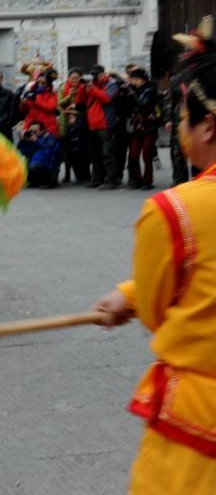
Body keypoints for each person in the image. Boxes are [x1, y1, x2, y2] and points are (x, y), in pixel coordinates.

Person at [91, 36, 216, 494]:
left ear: (207, 128)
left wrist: (134, 297)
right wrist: (130, 293)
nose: (180, 127)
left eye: (184, 117)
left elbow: (158, 309)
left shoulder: (175, 210)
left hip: (200, 427)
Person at [87, 65, 121, 189]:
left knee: (108, 153)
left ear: (103, 74)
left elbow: (106, 99)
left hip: (106, 124)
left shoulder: (112, 85)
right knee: (95, 154)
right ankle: (97, 178)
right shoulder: (93, 86)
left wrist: (93, 89)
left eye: (98, 75)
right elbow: (82, 101)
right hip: (93, 124)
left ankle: (111, 180)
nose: (97, 77)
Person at [126, 68, 160, 190]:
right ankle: (136, 179)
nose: (134, 81)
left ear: (144, 80)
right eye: (133, 79)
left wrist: (132, 94)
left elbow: (143, 104)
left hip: (149, 126)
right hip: (135, 126)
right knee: (134, 155)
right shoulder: (131, 90)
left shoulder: (150, 90)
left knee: (147, 154)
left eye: (137, 79)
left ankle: (148, 181)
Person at [58, 68, 91, 184]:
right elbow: (59, 105)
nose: (75, 80)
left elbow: (86, 105)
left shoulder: (84, 88)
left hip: (81, 122)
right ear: (68, 78)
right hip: (66, 123)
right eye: (72, 78)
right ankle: (67, 175)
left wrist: (76, 112)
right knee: (68, 151)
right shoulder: (63, 88)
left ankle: (82, 175)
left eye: (77, 78)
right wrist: (69, 96)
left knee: (81, 149)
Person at [17, 120, 62, 189]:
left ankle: (47, 181)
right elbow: (24, 152)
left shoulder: (50, 138)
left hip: (49, 167)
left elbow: (48, 152)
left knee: (35, 164)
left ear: (42, 131)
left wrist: (36, 141)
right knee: (19, 165)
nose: (32, 133)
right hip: (37, 165)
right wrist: (23, 141)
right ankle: (34, 181)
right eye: (30, 131)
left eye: (35, 131)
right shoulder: (31, 139)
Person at [20, 69, 59, 136]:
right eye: (38, 82)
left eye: (43, 83)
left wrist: (35, 99)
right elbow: (24, 110)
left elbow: (51, 107)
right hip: (31, 127)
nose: (40, 85)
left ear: (48, 84)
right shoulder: (31, 91)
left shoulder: (52, 94)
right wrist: (23, 104)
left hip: (47, 128)